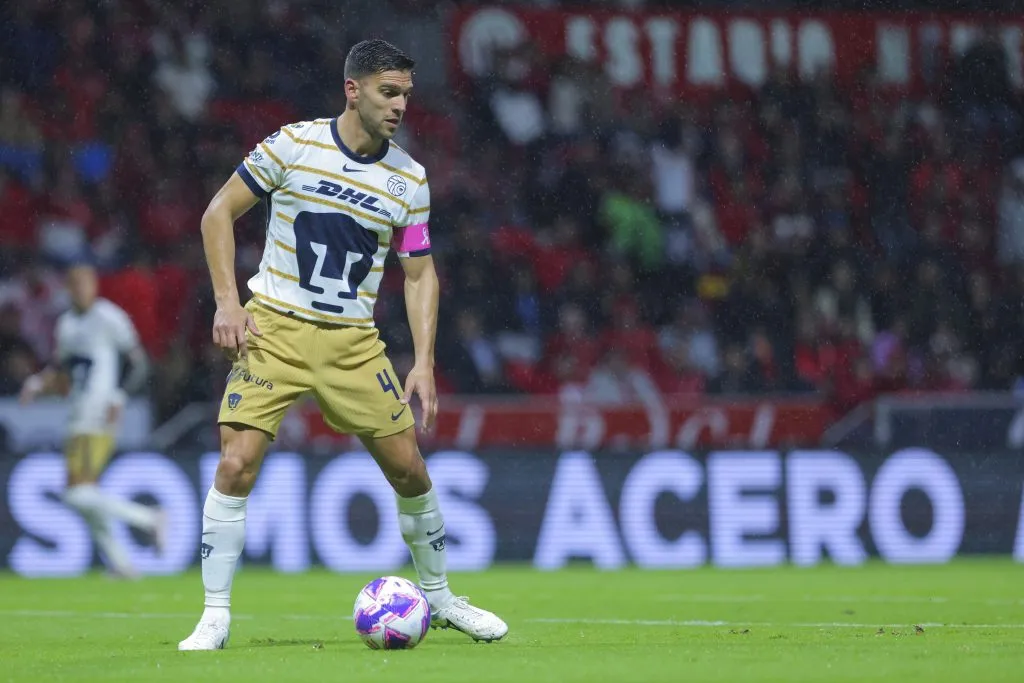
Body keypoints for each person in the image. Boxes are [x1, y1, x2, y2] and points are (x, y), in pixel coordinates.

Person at [177, 39, 508, 650]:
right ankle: (215, 614)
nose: (401, 105)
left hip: (354, 343)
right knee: (234, 464)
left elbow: (419, 273)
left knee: (410, 470)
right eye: (389, 92)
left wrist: (425, 363)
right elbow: (217, 213)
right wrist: (228, 302)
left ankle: (440, 600)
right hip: (274, 329)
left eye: (407, 93)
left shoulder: (409, 179)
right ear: (352, 90)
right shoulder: (293, 145)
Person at [19, 259, 162, 579]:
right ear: (68, 289)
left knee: (76, 493)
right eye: (76, 285)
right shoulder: (66, 325)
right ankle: (122, 564)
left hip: (98, 414)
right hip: (76, 414)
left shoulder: (109, 317)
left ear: (95, 286)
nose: (83, 290)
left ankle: (148, 518)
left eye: (87, 284)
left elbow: (138, 362)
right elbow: (62, 371)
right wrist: (38, 383)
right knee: (85, 494)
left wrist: (119, 395)